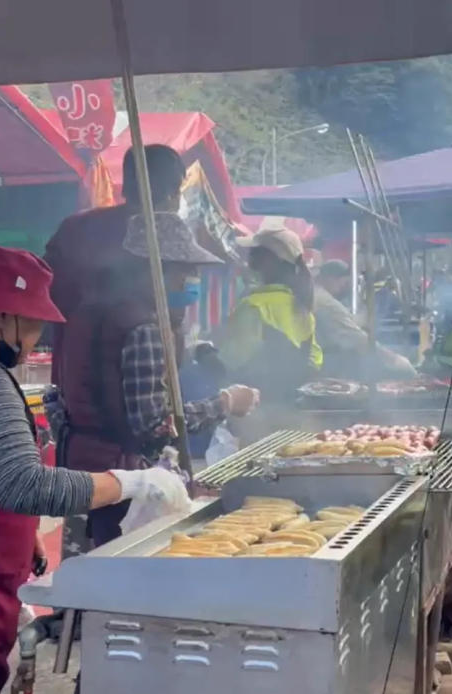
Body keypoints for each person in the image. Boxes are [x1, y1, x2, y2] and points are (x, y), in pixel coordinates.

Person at [0, 244, 190, 694]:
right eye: (34, 322)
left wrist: (26, 536)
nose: (38, 335)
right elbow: (23, 484)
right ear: (2, 316)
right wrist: (133, 482)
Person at [58, 212, 258, 547]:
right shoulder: (141, 327)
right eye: (183, 270)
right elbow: (153, 423)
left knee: (89, 577)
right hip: (124, 479)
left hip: (83, 468)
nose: (191, 279)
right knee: (125, 576)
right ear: (157, 271)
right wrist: (225, 403)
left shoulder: (89, 311)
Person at [45, 144, 188, 386]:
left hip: (73, 376)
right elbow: (175, 315)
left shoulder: (76, 227)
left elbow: (46, 294)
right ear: (172, 194)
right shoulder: (166, 242)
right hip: (137, 383)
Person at [215, 228, 322, 399]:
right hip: (290, 404)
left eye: (254, 253)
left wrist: (204, 353)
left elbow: (231, 361)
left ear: (267, 261)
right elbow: (314, 360)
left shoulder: (254, 306)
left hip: (253, 405)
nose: (248, 258)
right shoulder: (302, 306)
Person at [313, 259, 417, 379]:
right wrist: (395, 360)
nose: (344, 289)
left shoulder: (316, 294)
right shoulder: (325, 301)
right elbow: (358, 340)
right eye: (344, 284)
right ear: (330, 279)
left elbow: (346, 320)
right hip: (323, 369)